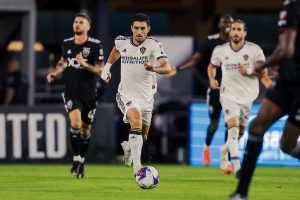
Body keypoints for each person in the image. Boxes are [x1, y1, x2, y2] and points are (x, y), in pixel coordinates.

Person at [231, 1, 300, 199]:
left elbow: (285, 50)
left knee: (287, 145)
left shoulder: (292, 5)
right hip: (288, 79)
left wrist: (259, 66)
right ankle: (241, 194)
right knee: (257, 126)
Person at [100, 13, 171, 175]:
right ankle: (138, 169)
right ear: (131, 29)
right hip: (126, 94)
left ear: (148, 30)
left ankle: (129, 147)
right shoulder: (122, 41)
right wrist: (106, 68)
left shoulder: (154, 45)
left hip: (146, 97)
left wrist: (153, 68)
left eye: (143, 28)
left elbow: (167, 68)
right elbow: (116, 51)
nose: (139, 32)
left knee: (142, 136)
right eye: (136, 28)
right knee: (136, 119)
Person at [167, 14, 234, 168]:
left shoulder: (237, 43)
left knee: (230, 125)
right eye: (225, 23)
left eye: (230, 23)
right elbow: (196, 59)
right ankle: (206, 148)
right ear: (219, 26)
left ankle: (226, 160)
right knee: (214, 125)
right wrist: (177, 69)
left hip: (232, 91)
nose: (227, 26)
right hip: (215, 90)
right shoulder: (211, 42)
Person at [208, 19, 269, 178]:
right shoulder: (220, 50)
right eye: (233, 29)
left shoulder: (254, 50)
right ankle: (237, 167)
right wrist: (212, 79)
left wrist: (248, 70)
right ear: (230, 32)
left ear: (244, 33)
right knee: (233, 129)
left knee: (239, 133)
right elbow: (211, 66)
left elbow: (264, 73)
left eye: (239, 29)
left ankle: (223, 150)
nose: (235, 32)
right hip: (228, 95)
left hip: (247, 97)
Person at [46, 13, 105, 179]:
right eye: (76, 22)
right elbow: (63, 61)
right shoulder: (66, 43)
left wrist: (84, 64)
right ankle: (75, 159)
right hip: (71, 91)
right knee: (76, 122)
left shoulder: (95, 45)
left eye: (81, 22)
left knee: (86, 130)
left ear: (88, 27)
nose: (77, 24)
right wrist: (54, 73)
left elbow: (100, 70)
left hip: (89, 94)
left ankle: (81, 160)